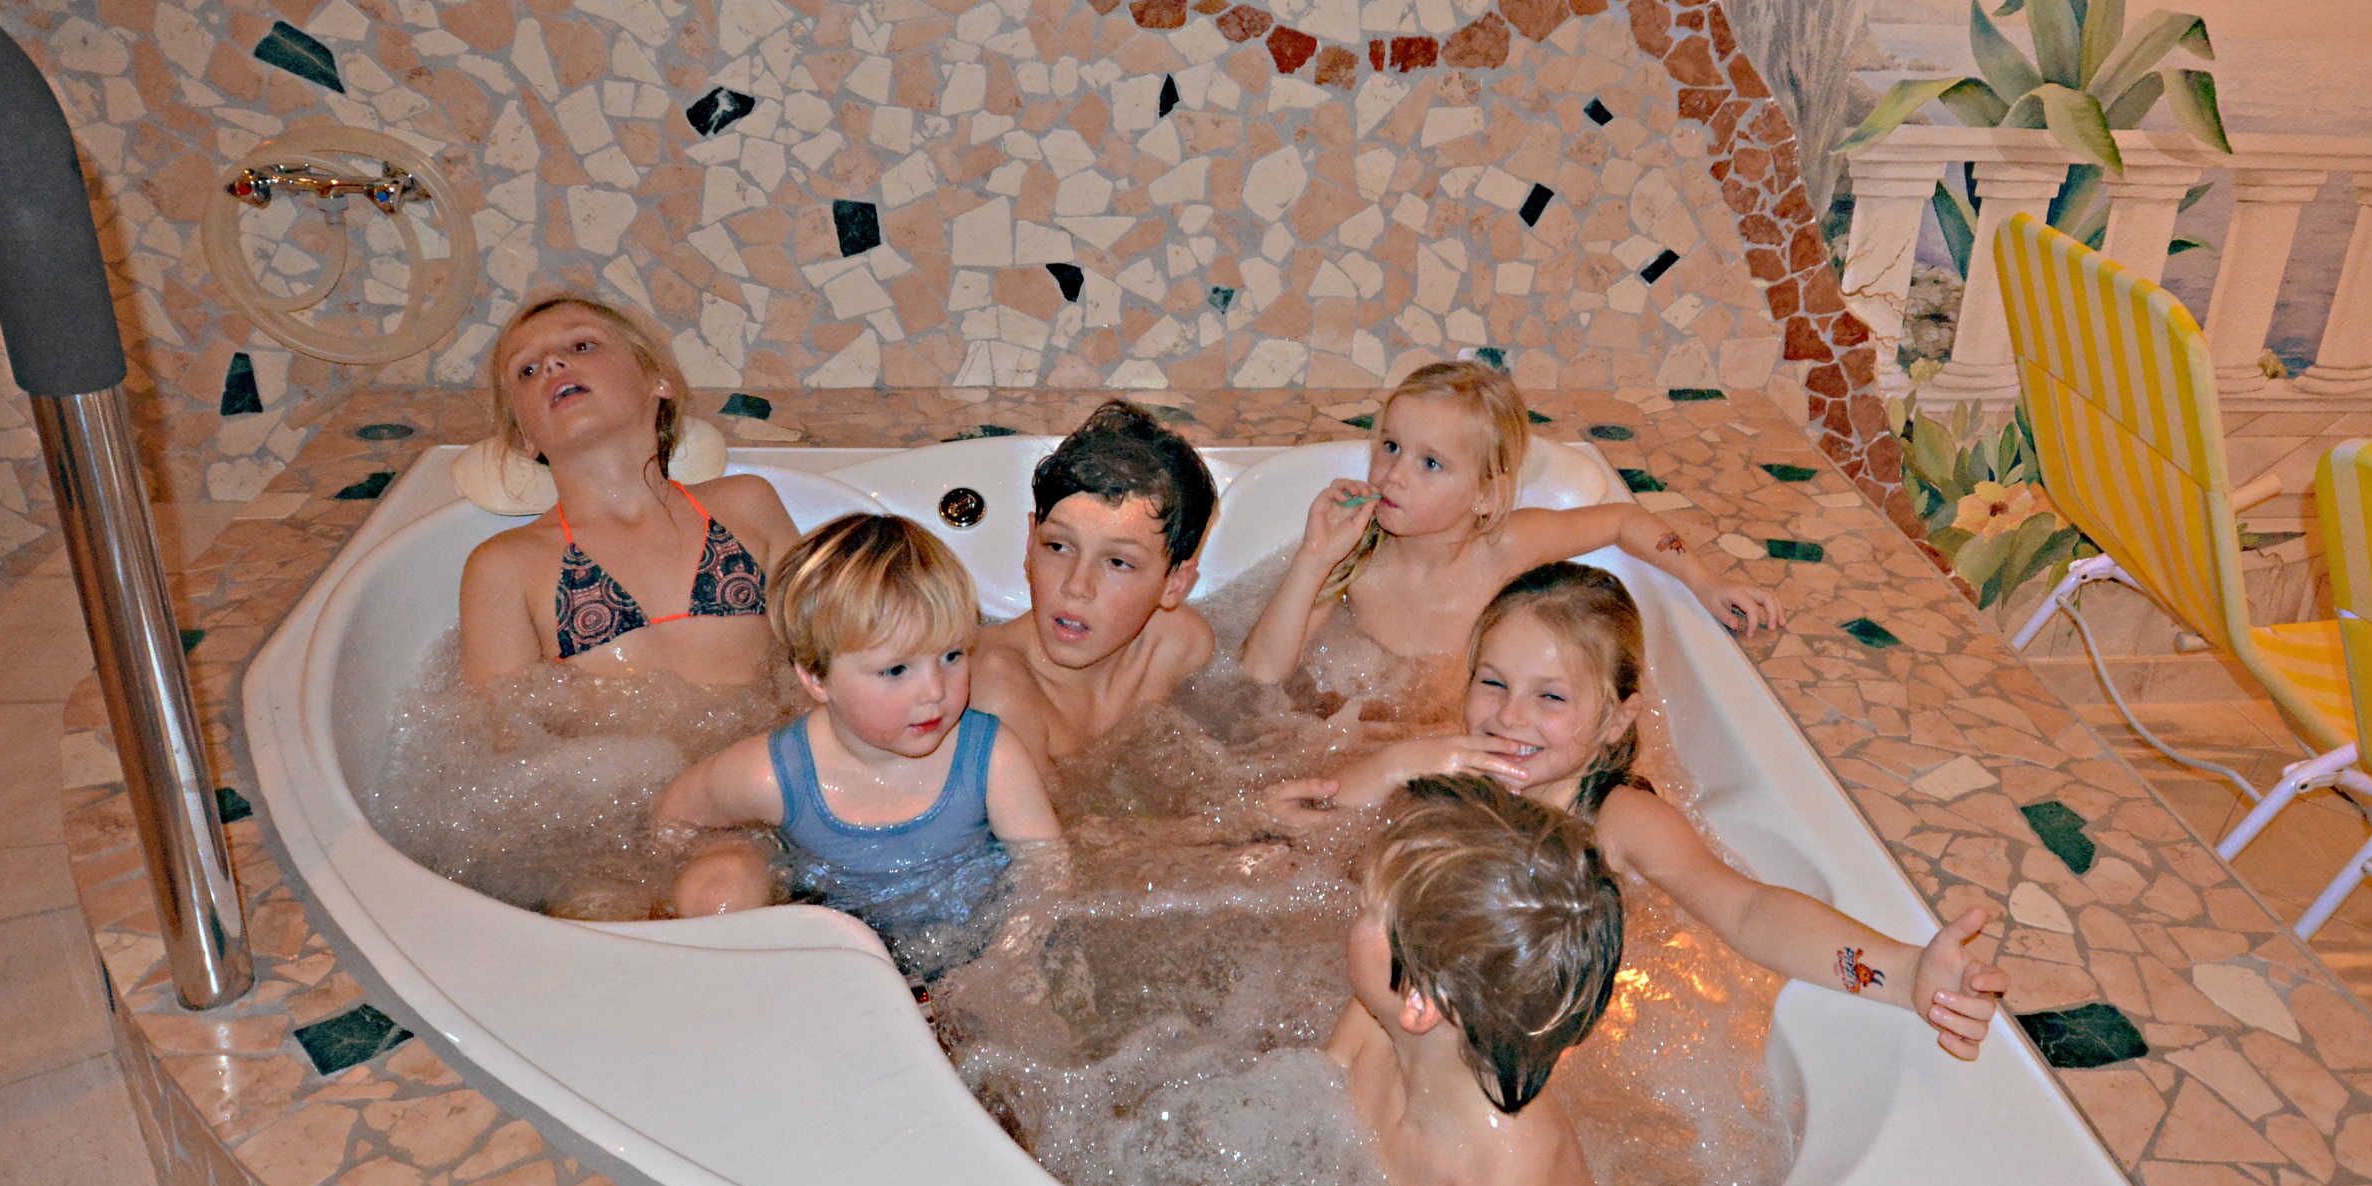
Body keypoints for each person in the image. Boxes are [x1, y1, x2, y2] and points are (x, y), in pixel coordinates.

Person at [1285, 562, 2006, 1059]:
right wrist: (1402, 761)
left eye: (1551, 696)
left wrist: (1903, 973)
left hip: (1549, 1034)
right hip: (1434, 999)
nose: (1509, 716)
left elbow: (1748, 910)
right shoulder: (1456, 772)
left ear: (1617, 719)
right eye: (1492, 682)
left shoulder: (1618, 818)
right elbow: (1308, 818)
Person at [654, 514, 1058, 973]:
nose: (934, 691)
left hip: (974, 951)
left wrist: (1004, 963)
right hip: (842, 964)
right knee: (714, 893)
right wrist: (743, 859)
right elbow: (677, 815)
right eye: (897, 670)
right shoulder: (775, 775)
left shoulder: (990, 756)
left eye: (951, 656)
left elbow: (1046, 873)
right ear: (817, 678)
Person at [1239, 360, 1780, 687]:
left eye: (1430, 463)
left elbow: (1623, 519)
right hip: (1351, 727)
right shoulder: (1354, 558)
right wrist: (1313, 559)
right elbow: (1260, 674)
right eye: (1391, 446)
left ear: (1486, 495)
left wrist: (1706, 583)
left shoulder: (1506, 548)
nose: (1394, 474)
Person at [1325, 773, 1623, 1186]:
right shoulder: (1378, 1013)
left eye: (1369, 908)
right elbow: (1318, 1091)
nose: (1353, 910)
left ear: (1419, 1001)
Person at [457, 293, 799, 688]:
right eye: (528, 370)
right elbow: (503, 723)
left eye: (581, 346)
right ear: (523, 436)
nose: (552, 363)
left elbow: (825, 655)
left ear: (658, 380)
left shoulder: (748, 506)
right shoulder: (505, 567)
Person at [972, 401, 1220, 763]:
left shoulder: (1174, 644)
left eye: (1118, 562)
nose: (1077, 586)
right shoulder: (997, 689)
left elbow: (1258, 693)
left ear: (1175, 583)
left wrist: (1307, 559)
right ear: (1030, 542)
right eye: (1058, 546)